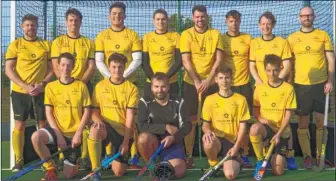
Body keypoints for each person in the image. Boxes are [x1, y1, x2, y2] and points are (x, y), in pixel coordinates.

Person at [95, 2, 142, 167]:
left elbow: (137, 59)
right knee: (107, 118)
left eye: (120, 13)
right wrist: (111, 77)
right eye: (114, 13)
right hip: (108, 83)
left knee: (130, 119)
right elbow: (99, 60)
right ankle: (109, 155)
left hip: (128, 82)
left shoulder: (132, 35)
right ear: (109, 16)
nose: (117, 16)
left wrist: (122, 76)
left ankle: (134, 154)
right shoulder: (102, 35)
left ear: (125, 15)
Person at [31, 53, 91, 180]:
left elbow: (87, 112)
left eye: (69, 65)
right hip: (57, 131)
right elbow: (48, 113)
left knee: (68, 175)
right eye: (63, 65)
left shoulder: (81, 86)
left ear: (73, 66)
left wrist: (78, 134)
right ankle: (51, 169)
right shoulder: (51, 87)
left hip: (74, 136)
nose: (65, 68)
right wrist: (59, 136)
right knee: (36, 137)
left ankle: (76, 162)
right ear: (58, 66)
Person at [287, 6, 335, 168]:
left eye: (309, 15)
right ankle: (308, 156)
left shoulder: (322, 35)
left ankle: (321, 156)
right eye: (303, 16)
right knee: (302, 124)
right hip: (301, 86)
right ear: (299, 17)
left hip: (321, 85)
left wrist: (330, 81)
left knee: (321, 123)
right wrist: (287, 84)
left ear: (314, 17)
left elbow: (331, 59)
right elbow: (289, 64)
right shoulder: (292, 38)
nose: (306, 18)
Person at [5, 14, 54, 172]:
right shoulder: (16, 45)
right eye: (27, 25)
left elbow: (52, 69)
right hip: (20, 92)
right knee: (20, 125)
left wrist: (42, 84)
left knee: (42, 124)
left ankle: (45, 159)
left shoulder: (45, 45)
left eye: (33, 25)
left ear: (37, 26)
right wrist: (24, 86)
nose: (30, 28)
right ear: (22, 27)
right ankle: (19, 159)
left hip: (40, 92)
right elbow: (8, 69)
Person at [249, 11, 297, 169]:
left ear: (273, 24)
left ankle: (288, 154)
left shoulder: (282, 42)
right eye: (262, 24)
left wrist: (277, 82)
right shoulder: (255, 42)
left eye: (268, 23)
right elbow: (252, 65)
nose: (265, 26)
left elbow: (287, 65)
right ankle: (260, 159)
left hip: (278, 86)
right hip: (263, 86)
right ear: (258, 25)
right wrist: (261, 82)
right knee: (258, 125)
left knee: (285, 116)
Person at [50, 7, 95, 170]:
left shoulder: (88, 42)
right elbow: (55, 66)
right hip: (62, 85)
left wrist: (80, 84)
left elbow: (91, 66)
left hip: (83, 84)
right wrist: (65, 82)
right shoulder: (57, 42)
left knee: (85, 119)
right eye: (70, 20)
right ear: (66, 22)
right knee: (61, 118)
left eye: (76, 20)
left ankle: (84, 157)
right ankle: (62, 156)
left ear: (81, 22)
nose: (73, 23)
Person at [180, 5, 224, 168]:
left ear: (207, 17)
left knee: (211, 119)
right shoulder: (186, 35)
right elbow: (186, 60)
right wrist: (197, 81)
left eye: (203, 16)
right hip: (191, 83)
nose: (200, 19)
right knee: (191, 120)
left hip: (211, 83)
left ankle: (213, 154)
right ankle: (189, 154)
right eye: (197, 17)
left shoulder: (215, 34)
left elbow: (218, 60)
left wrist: (208, 80)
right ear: (193, 18)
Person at [87, 53, 139, 180]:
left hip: (123, 133)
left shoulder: (132, 89)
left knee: (119, 172)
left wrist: (126, 142)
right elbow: (94, 111)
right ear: (109, 67)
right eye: (114, 67)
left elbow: (130, 119)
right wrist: (99, 122)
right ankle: (96, 170)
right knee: (95, 128)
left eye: (120, 67)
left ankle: (112, 157)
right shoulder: (100, 86)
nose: (117, 70)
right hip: (107, 129)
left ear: (124, 67)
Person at [137, 72, 191, 180]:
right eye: (156, 86)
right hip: (153, 142)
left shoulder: (178, 101)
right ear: (151, 87)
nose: (160, 90)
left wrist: (173, 138)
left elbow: (187, 126)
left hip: (173, 142)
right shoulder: (145, 102)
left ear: (168, 86)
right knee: (143, 138)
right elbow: (141, 126)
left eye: (163, 86)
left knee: (178, 173)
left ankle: (167, 163)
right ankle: (152, 165)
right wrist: (165, 127)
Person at [250, 54, 296, 178]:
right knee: (254, 128)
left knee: (278, 172)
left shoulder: (288, 88)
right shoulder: (259, 88)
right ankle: (260, 160)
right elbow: (255, 109)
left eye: (275, 70)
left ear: (281, 69)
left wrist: (279, 134)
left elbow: (288, 115)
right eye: (269, 70)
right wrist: (259, 118)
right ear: (265, 70)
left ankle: (282, 155)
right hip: (267, 128)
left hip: (282, 131)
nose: (272, 74)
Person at [202, 67, 250, 180]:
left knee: (230, 175)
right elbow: (205, 125)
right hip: (217, 141)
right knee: (208, 140)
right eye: (221, 78)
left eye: (227, 78)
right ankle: (214, 164)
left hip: (233, 143)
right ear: (216, 80)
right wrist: (208, 132)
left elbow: (243, 127)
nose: (224, 81)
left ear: (232, 80)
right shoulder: (209, 99)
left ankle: (237, 160)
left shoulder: (241, 99)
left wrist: (236, 147)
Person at [221, 10, 252, 168]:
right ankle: (229, 150)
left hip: (244, 85)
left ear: (240, 21)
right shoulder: (221, 38)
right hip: (227, 86)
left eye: (237, 21)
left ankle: (245, 153)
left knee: (244, 123)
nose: (234, 24)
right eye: (231, 21)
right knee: (228, 121)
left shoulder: (247, 38)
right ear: (227, 21)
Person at [142, 9, 182, 98]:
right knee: (151, 111)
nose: (160, 22)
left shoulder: (176, 36)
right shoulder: (147, 37)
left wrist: (165, 79)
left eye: (163, 19)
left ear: (167, 20)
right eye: (158, 19)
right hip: (151, 82)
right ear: (153, 21)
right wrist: (154, 80)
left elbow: (179, 61)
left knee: (171, 110)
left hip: (171, 82)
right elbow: (145, 62)